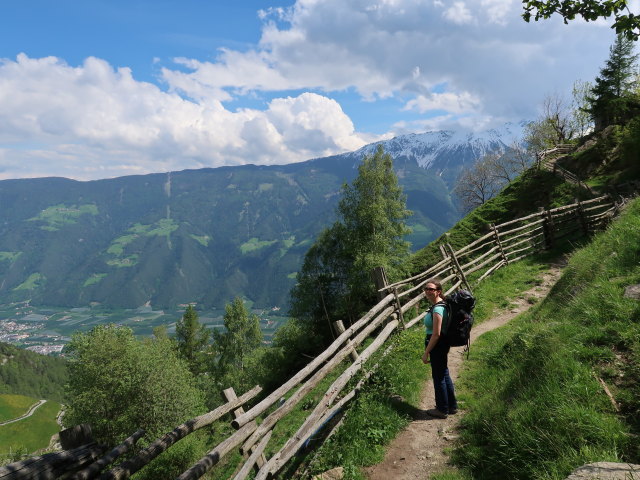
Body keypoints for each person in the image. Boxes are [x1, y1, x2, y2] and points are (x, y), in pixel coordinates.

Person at [421, 279, 458, 419]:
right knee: (444, 373)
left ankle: (442, 409)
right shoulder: (441, 305)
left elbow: (436, 334)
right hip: (441, 344)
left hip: (437, 344)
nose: (428, 291)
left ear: (438, 291)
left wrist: (426, 353)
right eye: (426, 289)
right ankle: (451, 406)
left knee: (438, 377)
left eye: (431, 289)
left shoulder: (438, 308)